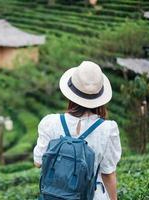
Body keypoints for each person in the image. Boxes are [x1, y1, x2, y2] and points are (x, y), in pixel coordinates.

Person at [33, 61, 122, 200]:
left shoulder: (50, 123)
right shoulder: (107, 129)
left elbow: (38, 162)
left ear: (71, 93)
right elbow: (108, 173)